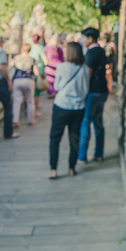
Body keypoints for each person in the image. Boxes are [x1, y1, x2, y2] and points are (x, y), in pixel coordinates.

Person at [48, 42, 90, 179]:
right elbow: (85, 90)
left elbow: (57, 85)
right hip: (78, 108)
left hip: (61, 105)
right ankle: (71, 167)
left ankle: (53, 169)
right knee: (74, 138)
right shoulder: (84, 69)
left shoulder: (62, 67)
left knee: (55, 137)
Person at [77, 27, 109, 164]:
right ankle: (99, 153)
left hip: (92, 91)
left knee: (85, 122)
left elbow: (87, 74)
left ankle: (82, 156)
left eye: (84, 37)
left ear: (90, 39)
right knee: (98, 122)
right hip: (102, 90)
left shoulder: (92, 52)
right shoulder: (101, 50)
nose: (82, 40)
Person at [10, 44, 40, 127]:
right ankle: (31, 119)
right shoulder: (31, 59)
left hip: (17, 80)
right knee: (30, 100)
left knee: (16, 101)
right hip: (28, 80)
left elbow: (10, 67)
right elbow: (36, 73)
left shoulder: (16, 58)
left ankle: (15, 121)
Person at [29, 34, 48, 116]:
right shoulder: (40, 48)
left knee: (31, 91)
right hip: (38, 71)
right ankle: (35, 110)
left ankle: (31, 109)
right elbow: (45, 61)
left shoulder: (30, 48)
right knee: (37, 91)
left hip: (30, 71)